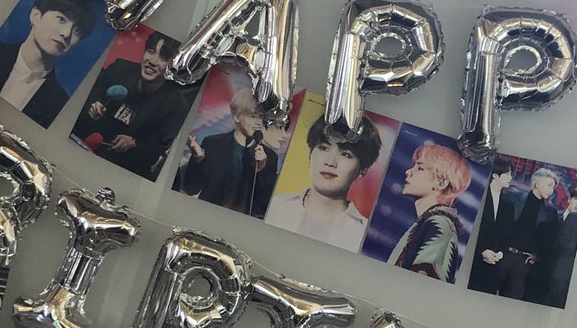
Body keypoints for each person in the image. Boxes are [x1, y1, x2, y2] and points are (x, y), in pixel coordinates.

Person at [72, 30, 193, 180]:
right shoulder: (120, 70)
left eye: (163, 58)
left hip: (119, 172)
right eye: (150, 52)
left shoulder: (176, 106)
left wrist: (134, 144)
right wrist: (92, 108)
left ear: (173, 66)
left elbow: (154, 152)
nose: (153, 61)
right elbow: (85, 100)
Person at [0, 0, 98, 127]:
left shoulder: (59, 103)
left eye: (77, 31)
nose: (66, 33)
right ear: (36, 15)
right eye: (61, 19)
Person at [266, 114, 383, 251]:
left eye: (346, 154)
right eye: (323, 148)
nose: (330, 162)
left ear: (362, 170)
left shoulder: (363, 233)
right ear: (310, 155)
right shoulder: (274, 206)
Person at [182, 88, 279, 217]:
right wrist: (199, 159)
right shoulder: (213, 144)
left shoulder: (270, 157)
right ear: (237, 117)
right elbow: (191, 188)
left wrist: (262, 169)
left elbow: (264, 204)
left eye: (261, 117)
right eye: (253, 116)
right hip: (206, 216)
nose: (258, 123)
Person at [388, 143, 472, 282]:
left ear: (441, 183)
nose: (408, 172)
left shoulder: (439, 225)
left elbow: (421, 283)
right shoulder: (431, 223)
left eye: (420, 168)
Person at [501, 166, 561, 303]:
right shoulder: (513, 197)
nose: (552, 190)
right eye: (549, 185)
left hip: (524, 262)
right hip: (503, 254)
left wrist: (537, 255)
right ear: (537, 184)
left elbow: (548, 241)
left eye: (553, 187)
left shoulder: (551, 212)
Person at [468, 159, 514, 294]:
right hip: (473, 259)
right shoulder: (478, 196)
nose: (511, 178)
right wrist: (482, 250)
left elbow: (508, 233)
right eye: (507, 174)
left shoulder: (508, 204)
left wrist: (500, 253)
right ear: (495, 175)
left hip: (495, 262)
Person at [544, 184, 577, 308]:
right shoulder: (552, 215)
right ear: (570, 199)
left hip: (565, 277)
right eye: (576, 199)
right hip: (546, 271)